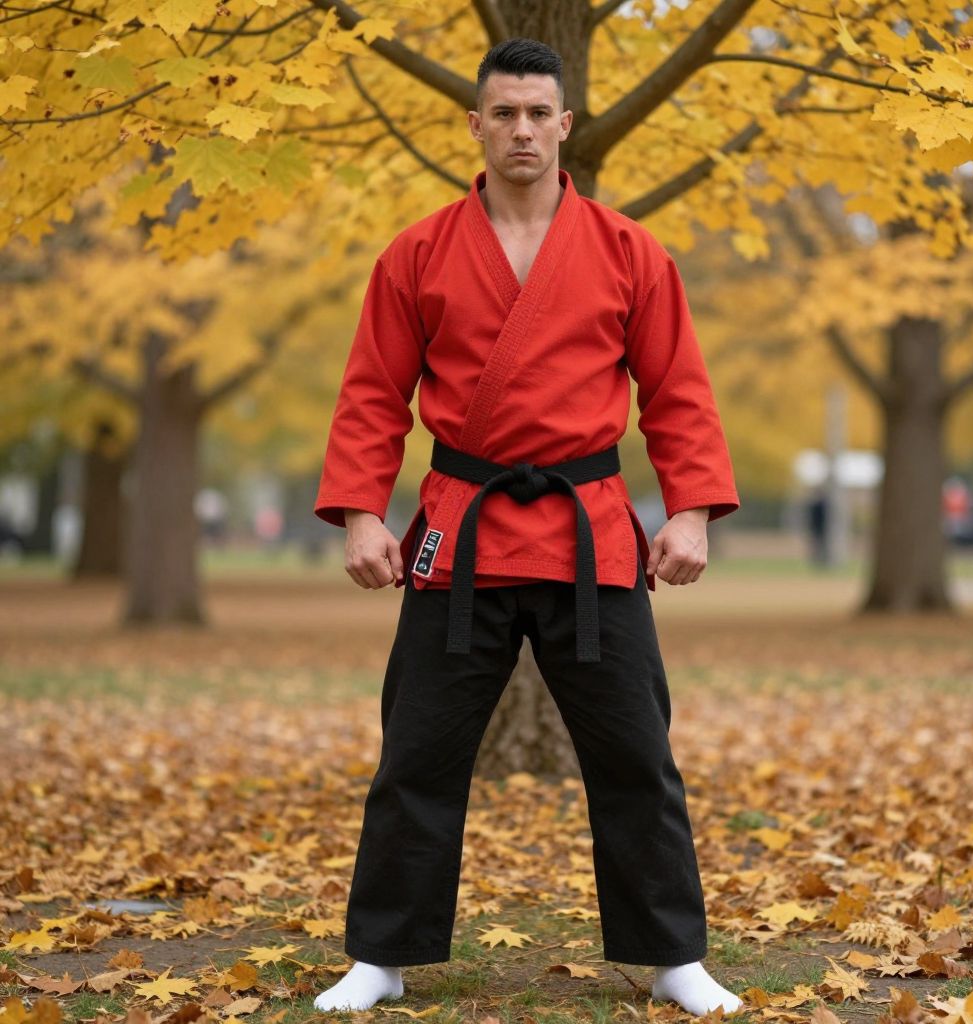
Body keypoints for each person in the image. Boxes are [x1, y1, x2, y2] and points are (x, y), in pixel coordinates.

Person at [311, 37, 743, 1016]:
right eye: (501, 112)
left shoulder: (629, 251)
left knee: (637, 754)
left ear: (564, 126)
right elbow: (372, 395)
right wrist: (359, 517)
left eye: (535, 113)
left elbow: (677, 393)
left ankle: (672, 954)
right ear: (474, 123)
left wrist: (689, 513)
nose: (519, 129)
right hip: (456, 534)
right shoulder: (416, 253)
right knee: (415, 753)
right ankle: (380, 954)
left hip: (590, 532)